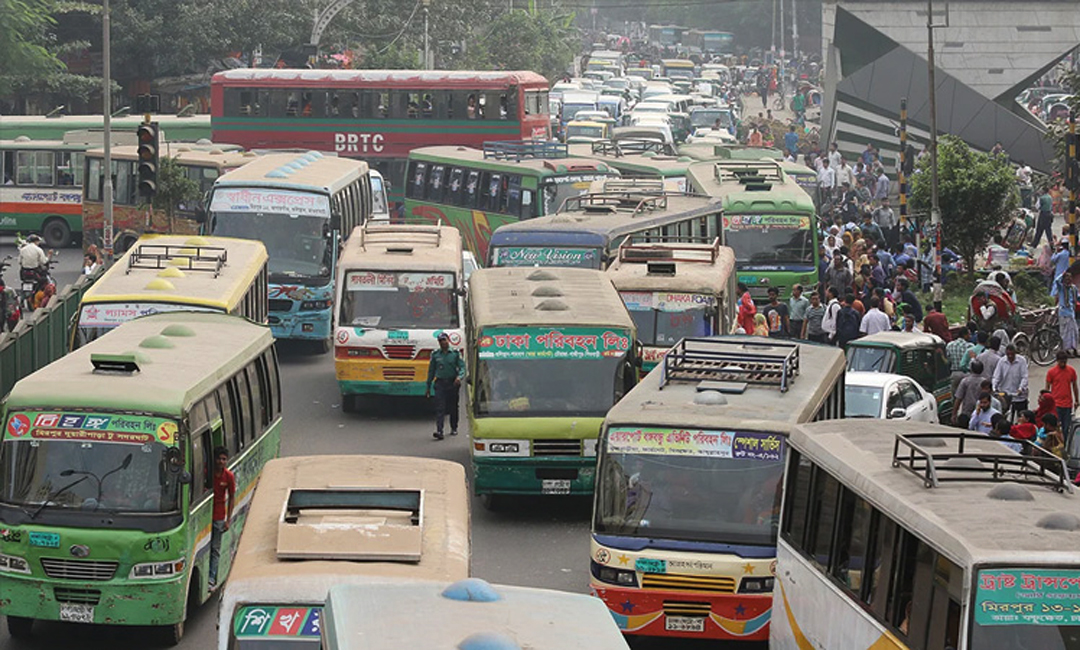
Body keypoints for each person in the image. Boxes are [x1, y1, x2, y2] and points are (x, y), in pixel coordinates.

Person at [425, 332, 465, 440]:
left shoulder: (455, 354)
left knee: (453, 407)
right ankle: (439, 431)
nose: (443, 343)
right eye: (440, 341)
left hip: (452, 383)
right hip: (440, 383)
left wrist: (459, 377)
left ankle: (454, 427)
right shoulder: (436, 355)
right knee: (440, 407)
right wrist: (428, 386)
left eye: (444, 340)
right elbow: (431, 371)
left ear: (448, 340)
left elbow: (462, 367)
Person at [209, 446, 235, 588]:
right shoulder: (206, 473)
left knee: (215, 549)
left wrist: (228, 520)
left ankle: (212, 578)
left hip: (219, 517)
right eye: (219, 459)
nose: (221, 462)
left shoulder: (229, 476)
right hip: (206, 517)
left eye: (224, 459)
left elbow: (231, 497)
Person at [1045, 350, 1078, 445]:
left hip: (1067, 404)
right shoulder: (1051, 372)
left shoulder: (1071, 371)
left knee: (1066, 428)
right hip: (1056, 404)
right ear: (1057, 361)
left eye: (1064, 361)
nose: (1063, 363)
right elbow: (1047, 388)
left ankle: (1066, 445)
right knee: (1055, 428)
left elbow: (1074, 386)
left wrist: (1077, 400)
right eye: (1061, 361)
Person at [992, 344, 1029, 418]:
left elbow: (1024, 377)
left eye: (1012, 354)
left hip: (1018, 395)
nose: (1010, 356)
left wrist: (1020, 388)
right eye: (1008, 354)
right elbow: (996, 376)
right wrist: (994, 387)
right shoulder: (1001, 361)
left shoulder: (1022, 361)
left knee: (1022, 416)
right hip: (1005, 394)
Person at [953, 360, 985, 428]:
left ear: (971, 369)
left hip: (966, 413)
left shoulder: (965, 381)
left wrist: (954, 414)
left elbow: (958, 398)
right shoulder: (985, 382)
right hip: (981, 413)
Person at [1055, 271, 1079, 355]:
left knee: (1075, 332)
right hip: (1063, 313)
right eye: (1066, 278)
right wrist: (1062, 274)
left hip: (1071, 313)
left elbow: (1077, 298)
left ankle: (1074, 349)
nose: (1068, 280)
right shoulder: (1061, 288)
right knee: (1065, 334)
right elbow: (1056, 281)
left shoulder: (1073, 288)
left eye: (1069, 278)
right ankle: (1065, 351)